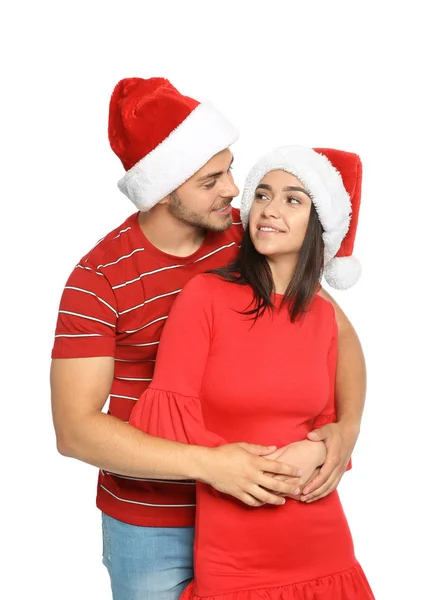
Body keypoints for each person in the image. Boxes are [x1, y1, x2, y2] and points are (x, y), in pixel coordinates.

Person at [50, 77, 367, 600]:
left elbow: (338, 335)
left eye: (229, 169)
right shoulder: (98, 279)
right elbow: (75, 430)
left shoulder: (247, 237)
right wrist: (212, 466)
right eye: (210, 180)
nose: (233, 190)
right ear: (162, 187)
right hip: (154, 525)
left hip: (264, 514)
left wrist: (346, 429)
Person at [129, 145, 374, 600]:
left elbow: (326, 418)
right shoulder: (205, 297)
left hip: (321, 540)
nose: (268, 210)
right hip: (235, 554)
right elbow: (167, 423)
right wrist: (258, 465)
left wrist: (324, 447)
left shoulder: (321, 315)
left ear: (319, 226)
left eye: (292, 200)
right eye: (262, 195)